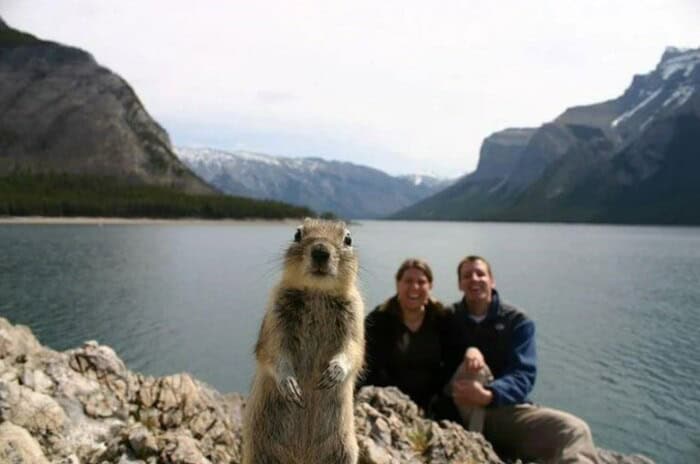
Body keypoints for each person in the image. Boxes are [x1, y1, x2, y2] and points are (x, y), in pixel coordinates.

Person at [444, 255, 600, 464]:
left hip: (501, 412)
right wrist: (470, 351)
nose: (474, 279)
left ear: (492, 280)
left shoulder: (517, 322)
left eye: (480, 274)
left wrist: (489, 394)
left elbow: (523, 374)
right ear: (460, 284)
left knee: (574, 430)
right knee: (473, 369)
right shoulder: (447, 318)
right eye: (467, 276)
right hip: (456, 408)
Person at [359, 258, 451, 413]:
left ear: (430, 286)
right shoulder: (378, 321)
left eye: (421, 282)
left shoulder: (442, 319)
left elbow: (454, 360)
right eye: (408, 281)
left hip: (434, 402)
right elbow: (369, 368)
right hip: (389, 403)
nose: (414, 287)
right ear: (397, 284)